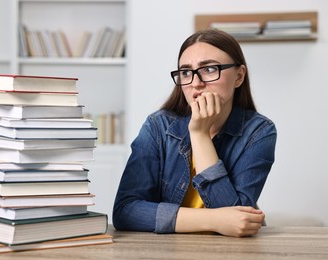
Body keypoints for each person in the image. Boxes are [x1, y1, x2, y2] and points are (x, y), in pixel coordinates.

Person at [112, 29, 277, 237]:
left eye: (209, 69)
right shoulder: (158, 126)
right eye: (186, 72)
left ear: (239, 76)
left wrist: (200, 135)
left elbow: (237, 224)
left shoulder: (259, 131)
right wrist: (216, 220)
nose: (196, 83)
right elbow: (125, 211)